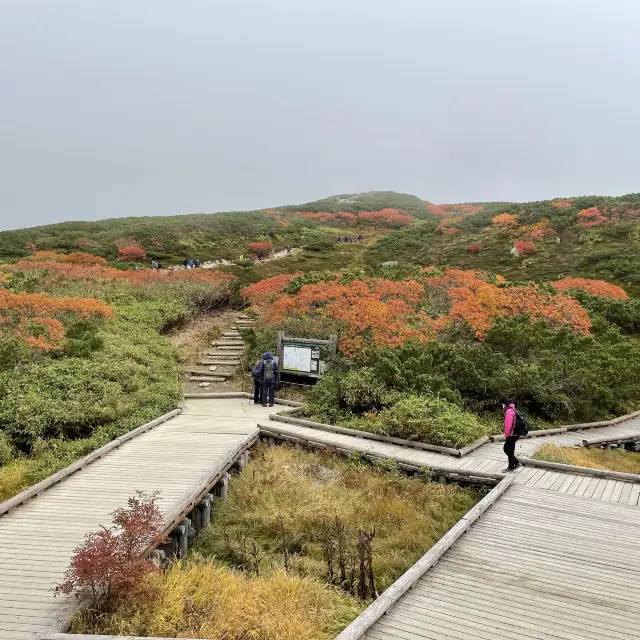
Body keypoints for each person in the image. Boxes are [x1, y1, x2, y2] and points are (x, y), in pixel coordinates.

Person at [501, 397, 520, 471]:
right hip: (515, 433)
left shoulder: (509, 411)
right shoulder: (513, 409)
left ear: (505, 404)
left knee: (509, 450)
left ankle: (511, 467)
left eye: (502, 404)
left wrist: (506, 434)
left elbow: (508, 424)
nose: (502, 406)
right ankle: (516, 462)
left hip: (512, 434)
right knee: (507, 449)